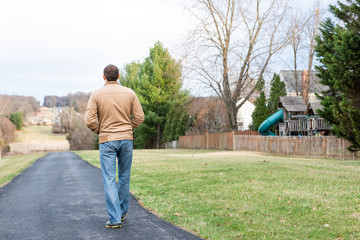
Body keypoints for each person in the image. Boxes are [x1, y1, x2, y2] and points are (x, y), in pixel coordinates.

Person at [85, 64, 144, 228]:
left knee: (109, 179)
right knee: (124, 176)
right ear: (118, 77)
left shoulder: (96, 94)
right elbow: (139, 117)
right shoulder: (130, 93)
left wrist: (101, 131)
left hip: (107, 140)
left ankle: (115, 218)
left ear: (103, 77)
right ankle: (122, 212)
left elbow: (89, 120)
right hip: (126, 139)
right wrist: (128, 128)